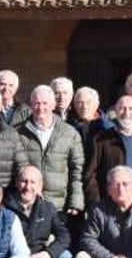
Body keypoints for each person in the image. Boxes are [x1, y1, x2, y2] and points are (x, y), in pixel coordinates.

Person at [18, 84, 85, 217]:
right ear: (31, 105)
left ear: (53, 105)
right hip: (27, 203)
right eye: (36, 103)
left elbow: (77, 170)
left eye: (45, 103)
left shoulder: (70, 133)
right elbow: (16, 166)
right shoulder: (19, 133)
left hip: (59, 205)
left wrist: (76, 202)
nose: (41, 108)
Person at [85, 95, 132, 207]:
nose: (126, 112)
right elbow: (90, 174)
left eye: (131, 109)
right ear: (115, 112)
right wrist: (96, 202)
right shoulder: (101, 140)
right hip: (108, 204)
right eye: (122, 108)